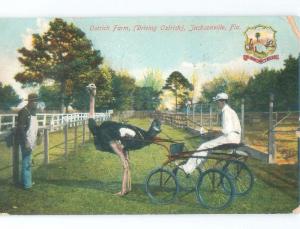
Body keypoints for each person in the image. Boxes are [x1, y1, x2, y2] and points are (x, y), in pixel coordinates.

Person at [180, 92, 241, 174]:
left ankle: (187, 168)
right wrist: (213, 132)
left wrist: (212, 131)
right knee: (208, 147)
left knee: (204, 146)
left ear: (223, 102)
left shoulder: (226, 112)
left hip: (230, 138)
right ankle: (200, 165)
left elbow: (226, 130)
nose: (217, 104)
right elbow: (226, 130)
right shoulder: (230, 111)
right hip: (235, 138)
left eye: (218, 102)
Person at [16, 93, 39, 189]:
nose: (36, 103)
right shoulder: (23, 112)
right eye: (35, 101)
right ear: (30, 101)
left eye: (37, 101)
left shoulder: (32, 111)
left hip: (31, 139)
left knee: (29, 160)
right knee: (27, 161)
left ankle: (25, 181)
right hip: (26, 140)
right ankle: (27, 184)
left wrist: (39, 134)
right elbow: (20, 128)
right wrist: (25, 141)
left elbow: (34, 126)